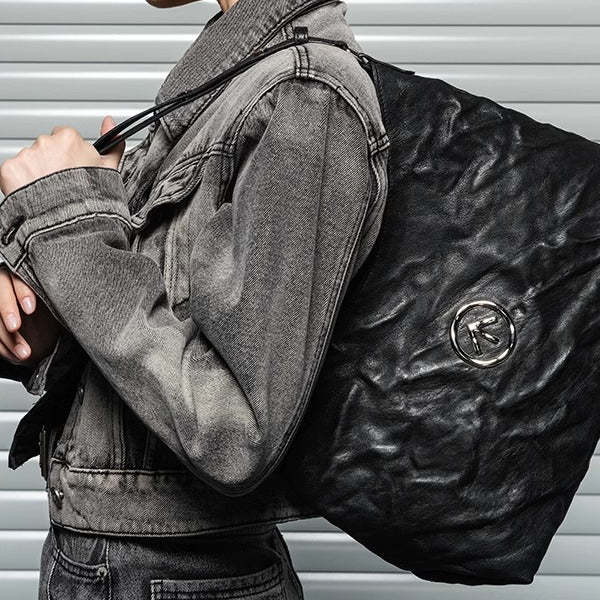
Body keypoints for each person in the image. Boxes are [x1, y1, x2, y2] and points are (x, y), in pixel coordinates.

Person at [0, 0, 389, 597]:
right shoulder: (229, 85)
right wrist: (41, 302)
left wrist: (71, 226)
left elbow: (236, 435)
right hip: (122, 564)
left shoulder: (307, 95)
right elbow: (158, 328)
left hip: (177, 577)